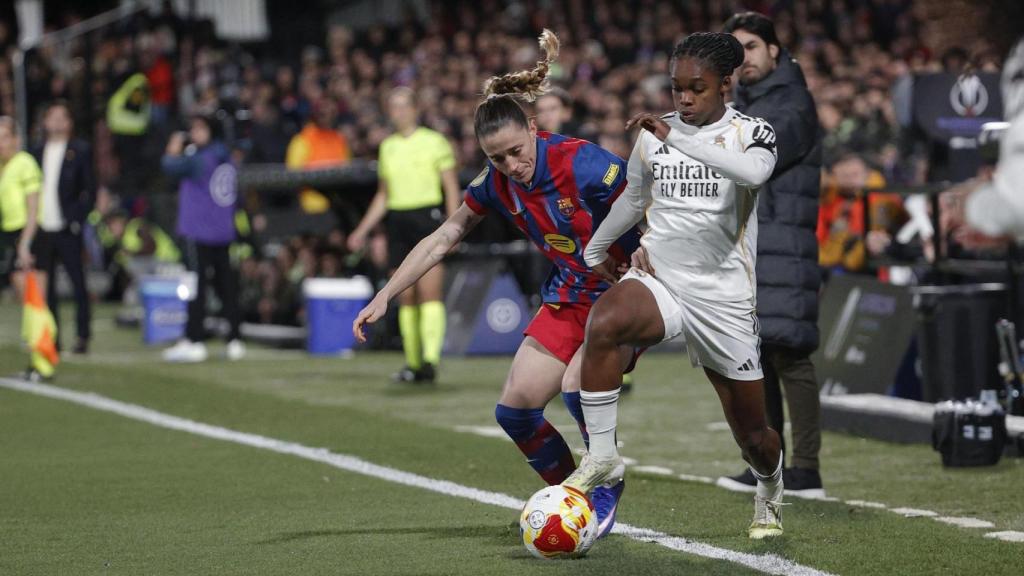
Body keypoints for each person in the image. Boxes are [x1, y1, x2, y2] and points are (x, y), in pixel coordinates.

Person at [353, 30, 639, 538]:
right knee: (515, 411)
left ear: (533, 127)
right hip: (571, 294)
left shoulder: (583, 162)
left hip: (626, 293)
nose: (511, 166)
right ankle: (568, 500)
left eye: (515, 151)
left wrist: (648, 249)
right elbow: (444, 237)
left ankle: (603, 485)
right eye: (496, 158)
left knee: (576, 387)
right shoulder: (496, 184)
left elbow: (651, 201)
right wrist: (385, 293)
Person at [561, 32, 786, 539]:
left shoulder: (753, 133)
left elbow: (753, 175)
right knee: (606, 321)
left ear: (725, 84)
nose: (683, 98)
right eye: (676, 87)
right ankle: (602, 457)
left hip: (723, 297)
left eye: (696, 88)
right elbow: (634, 198)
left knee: (753, 436)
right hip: (661, 276)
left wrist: (675, 137)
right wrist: (596, 248)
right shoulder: (654, 136)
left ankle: (770, 488)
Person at [714, 12, 825, 498]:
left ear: (774, 51)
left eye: (752, 46)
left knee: (789, 352)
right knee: (758, 353)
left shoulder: (792, 102)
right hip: (753, 242)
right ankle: (771, 462)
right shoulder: (747, 103)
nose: (744, 59)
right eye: (735, 52)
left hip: (783, 242)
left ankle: (808, 470)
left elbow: (758, 155)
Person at [347, 87, 461, 383]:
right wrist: (362, 230)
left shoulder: (434, 142)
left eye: (401, 106)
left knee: (429, 292)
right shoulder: (387, 147)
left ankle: (430, 361)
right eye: (392, 106)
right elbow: (383, 195)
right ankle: (413, 363)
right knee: (404, 295)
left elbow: (450, 187)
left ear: (414, 109)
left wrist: (454, 227)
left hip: (427, 217)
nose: (396, 112)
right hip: (398, 221)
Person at [161, 115, 245, 363]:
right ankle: (234, 339)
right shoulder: (226, 158)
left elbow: (169, 166)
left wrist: (173, 147)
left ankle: (194, 339)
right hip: (223, 231)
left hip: (197, 232)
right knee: (226, 286)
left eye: (199, 128)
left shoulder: (198, 159)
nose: (194, 133)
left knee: (192, 287)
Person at [30, 100, 96, 355]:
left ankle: (82, 335)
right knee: (47, 287)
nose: (57, 122)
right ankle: (52, 336)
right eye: (52, 117)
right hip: (43, 227)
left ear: (70, 122)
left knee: (78, 282)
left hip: (67, 227)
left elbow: (89, 188)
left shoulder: (80, 150)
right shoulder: (36, 152)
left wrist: (77, 218)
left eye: (62, 117)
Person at [0, 116, 48, 378]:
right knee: (26, 301)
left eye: (5, 137)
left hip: (27, 235)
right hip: (11, 235)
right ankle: (36, 360)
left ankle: (43, 363)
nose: (1, 143)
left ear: (16, 140)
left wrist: (26, 243)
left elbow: (33, 209)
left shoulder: (25, 163)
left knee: (35, 300)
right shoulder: (4, 167)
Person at [286, 97, 351, 214]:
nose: (326, 116)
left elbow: (347, 169)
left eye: (331, 112)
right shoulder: (302, 139)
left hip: (339, 205)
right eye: (322, 112)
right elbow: (293, 175)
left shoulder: (339, 138)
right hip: (313, 206)